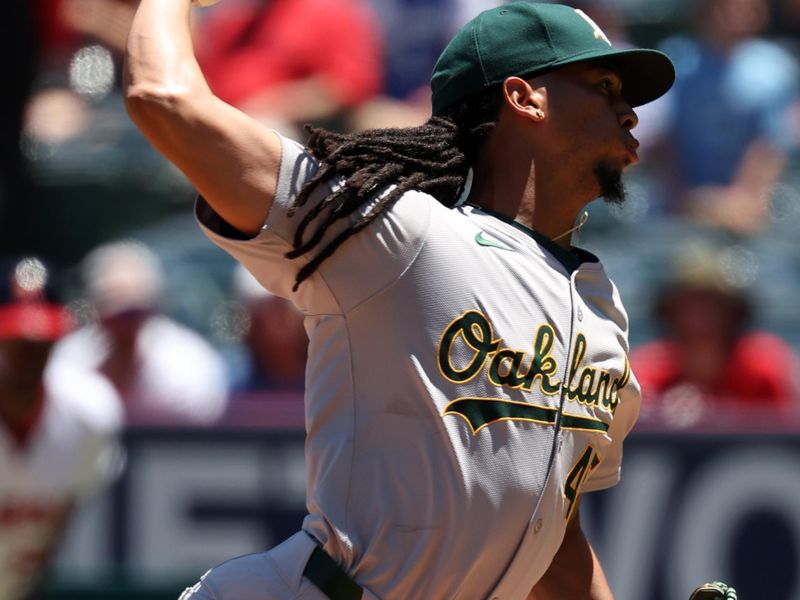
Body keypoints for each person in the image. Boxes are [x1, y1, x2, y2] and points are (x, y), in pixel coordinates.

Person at [122, 1, 721, 598]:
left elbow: (552, 538)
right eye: (604, 85)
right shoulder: (400, 233)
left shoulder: (603, 312)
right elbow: (165, 99)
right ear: (525, 98)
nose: (632, 112)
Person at [0, 256, 123, 600]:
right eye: (14, 337)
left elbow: (64, 514)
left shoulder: (90, 413)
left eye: (40, 339)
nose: (28, 351)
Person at [648, 0, 799, 234]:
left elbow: (769, 144)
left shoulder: (775, 68)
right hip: (682, 201)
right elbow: (664, 136)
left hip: (749, 203)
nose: (736, 16)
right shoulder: (675, 60)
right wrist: (679, 196)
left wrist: (744, 198)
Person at [51, 240, 229, 426]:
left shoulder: (189, 365)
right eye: (112, 311)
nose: (124, 324)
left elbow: (198, 436)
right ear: (95, 310)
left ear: (153, 309)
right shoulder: (70, 361)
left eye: (133, 313)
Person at [630, 240, 800, 424]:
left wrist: (717, 414)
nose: (701, 314)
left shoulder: (765, 365)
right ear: (669, 310)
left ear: (734, 311)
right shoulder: (648, 370)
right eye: (689, 302)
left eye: (712, 302)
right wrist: (660, 414)